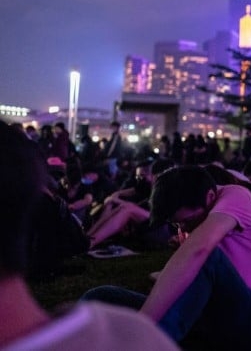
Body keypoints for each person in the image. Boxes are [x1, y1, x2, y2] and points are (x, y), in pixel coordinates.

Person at [0, 121, 179, 350]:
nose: (144, 176)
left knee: (126, 210)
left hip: (159, 227)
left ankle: (89, 240)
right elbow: (124, 194)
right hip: (143, 225)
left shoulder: (168, 191)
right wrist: (116, 197)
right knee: (120, 207)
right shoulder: (138, 336)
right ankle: (88, 238)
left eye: (146, 173)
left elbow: (158, 215)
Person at [82, 165, 251, 350]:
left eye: (186, 221)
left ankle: (151, 342)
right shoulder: (198, 221)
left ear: (209, 197)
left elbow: (199, 252)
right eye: (177, 224)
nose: (182, 228)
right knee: (101, 297)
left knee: (206, 257)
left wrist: (143, 322)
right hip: (209, 322)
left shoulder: (236, 196)